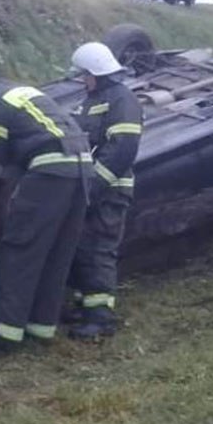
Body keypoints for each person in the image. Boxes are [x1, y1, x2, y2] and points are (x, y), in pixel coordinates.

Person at [0, 69, 92, 354]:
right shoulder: (23, 92)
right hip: (81, 168)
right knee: (56, 250)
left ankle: (2, 332)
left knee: (20, 248)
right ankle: (40, 325)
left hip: (50, 170)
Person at [64, 42, 143, 339]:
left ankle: (101, 318)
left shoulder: (123, 101)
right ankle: (85, 306)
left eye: (85, 74)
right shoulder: (91, 99)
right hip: (91, 190)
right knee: (83, 249)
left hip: (109, 192)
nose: (82, 80)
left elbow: (122, 149)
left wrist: (94, 186)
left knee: (99, 251)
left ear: (97, 72)